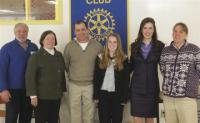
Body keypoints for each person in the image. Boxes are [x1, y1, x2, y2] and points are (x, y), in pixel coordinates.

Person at [160, 22, 200, 123]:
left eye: (181, 31)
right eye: (175, 31)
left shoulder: (194, 50)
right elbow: (163, 69)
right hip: (168, 98)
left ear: (186, 34)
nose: (177, 34)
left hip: (186, 98)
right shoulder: (165, 51)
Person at [64, 20, 102, 123]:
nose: (80, 32)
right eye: (77, 30)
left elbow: (101, 67)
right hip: (73, 85)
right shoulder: (69, 46)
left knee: (89, 114)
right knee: (74, 114)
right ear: (74, 32)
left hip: (91, 85)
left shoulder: (97, 46)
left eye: (83, 29)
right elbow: (66, 66)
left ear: (88, 30)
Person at [0, 23, 38, 123]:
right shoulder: (6, 48)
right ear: (15, 32)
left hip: (29, 90)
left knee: (26, 118)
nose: (22, 34)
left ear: (27, 32)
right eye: (19, 31)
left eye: (24, 31)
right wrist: (3, 89)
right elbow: (1, 70)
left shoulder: (33, 47)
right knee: (11, 118)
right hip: (12, 91)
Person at [25, 30, 66, 123]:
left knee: (54, 120)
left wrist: (63, 91)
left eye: (53, 39)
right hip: (41, 97)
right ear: (42, 41)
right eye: (47, 39)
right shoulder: (36, 56)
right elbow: (30, 77)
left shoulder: (59, 55)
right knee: (41, 120)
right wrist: (33, 96)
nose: (50, 41)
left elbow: (61, 74)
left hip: (56, 96)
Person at [130, 17, 164, 123]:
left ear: (154, 30)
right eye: (145, 28)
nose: (147, 31)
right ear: (141, 29)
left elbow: (164, 67)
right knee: (137, 117)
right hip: (136, 88)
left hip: (152, 88)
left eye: (150, 28)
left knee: (150, 117)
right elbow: (131, 67)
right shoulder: (134, 46)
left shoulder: (160, 46)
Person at [93, 33, 129, 123]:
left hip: (117, 96)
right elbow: (96, 78)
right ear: (107, 43)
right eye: (110, 42)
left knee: (117, 120)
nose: (112, 44)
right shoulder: (100, 58)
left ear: (118, 44)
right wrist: (96, 95)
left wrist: (124, 98)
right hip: (103, 95)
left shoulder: (124, 59)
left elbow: (126, 80)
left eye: (115, 42)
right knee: (104, 120)